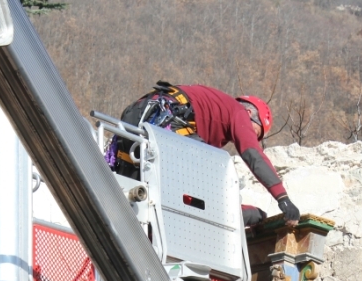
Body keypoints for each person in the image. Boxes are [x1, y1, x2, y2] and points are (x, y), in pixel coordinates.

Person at [108, 81, 300, 227]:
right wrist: (282, 198)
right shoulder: (237, 112)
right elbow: (252, 153)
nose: (249, 136)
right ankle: (240, 214)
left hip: (135, 116)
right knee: (213, 178)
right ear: (250, 112)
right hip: (165, 118)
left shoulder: (210, 113)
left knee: (139, 200)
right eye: (254, 132)